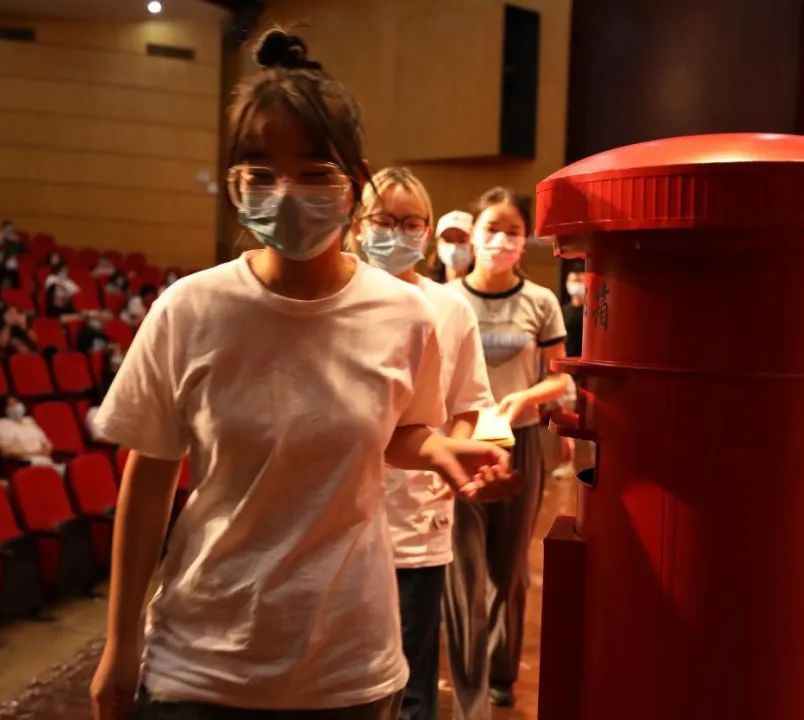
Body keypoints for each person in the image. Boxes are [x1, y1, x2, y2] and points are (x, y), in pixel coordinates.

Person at [89, 29, 518, 720]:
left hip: (347, 664)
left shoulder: (405, 314)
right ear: (235, 180)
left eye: (313, 172)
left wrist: (440, 450)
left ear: (354, 181)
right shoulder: (189, 309)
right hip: (201, 660)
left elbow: (402, 431)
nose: (285, 193)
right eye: (261, 172)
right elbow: (149, 476)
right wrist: (119, 643)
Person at [354, 167, 495, 720]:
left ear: (428, 231)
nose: (397, 233)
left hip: (414, 517)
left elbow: (467, 404)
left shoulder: (450, 309)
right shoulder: (333, 300)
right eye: (384, 220)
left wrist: (446, 464)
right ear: (358, 225)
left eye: (412, 223)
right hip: (335, 522)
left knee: (412, 682)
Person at [445, 186, 569, 715]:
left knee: (511, 568)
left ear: (526, 240)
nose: (500, 240)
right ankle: (468, 687)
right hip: (459, 443)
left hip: (523, 442)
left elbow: (559, 377)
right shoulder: (446, 299)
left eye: (513, 231)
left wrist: (525, 399)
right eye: (491, 229)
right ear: (472, 234)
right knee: (462, 571)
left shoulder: (540, 302)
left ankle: (501, 676)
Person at [0, 395, 57, 469]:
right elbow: (6, 452)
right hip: (24, 464)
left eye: (17, 403)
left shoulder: (29, 420)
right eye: (10, 405)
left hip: (45, 461)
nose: (15, 407)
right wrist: (35, 453)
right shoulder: (2, 425)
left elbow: (45, 442)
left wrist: (48, 448)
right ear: (4, 409)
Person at [427, 210, 474, 283]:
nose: (454, 247)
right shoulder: (425, 287)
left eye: (462, 240)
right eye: (448, 240)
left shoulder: (485, 287)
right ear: (438, 244)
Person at [562, 269, 585, 359]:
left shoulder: (591, 312)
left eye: (579, 281)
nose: (576, 284)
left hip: (584, 359)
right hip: (567, 358)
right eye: (573, 281)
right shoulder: (562, 311)